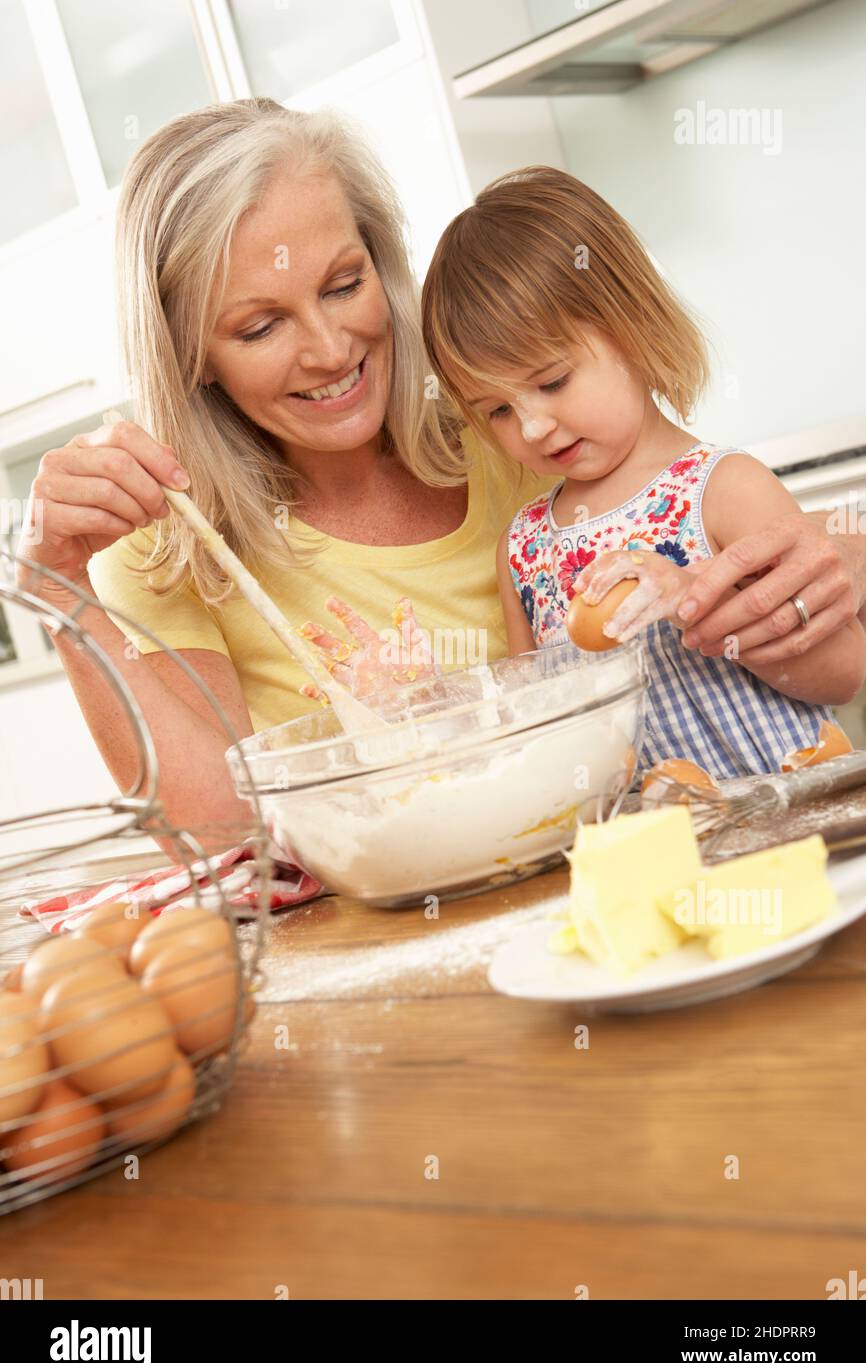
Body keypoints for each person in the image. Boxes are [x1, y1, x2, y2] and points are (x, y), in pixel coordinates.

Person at [14, 103, 866, 835]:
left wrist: (826, 553)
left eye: (345, 284)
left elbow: (705, 515)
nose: (329, 349)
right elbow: (218, 832)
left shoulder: (511, 432)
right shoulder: (166, 541)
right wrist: (50, 584)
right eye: (260, 327)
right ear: (192, 355)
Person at [420, 167, 866, 777]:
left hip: (797, 827)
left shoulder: (724, 489)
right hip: (649, 855)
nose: (532, 429)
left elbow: (844, 674)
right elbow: (538, 734)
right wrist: (443, 703)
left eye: (552, 382)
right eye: (497, 410)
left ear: (631, 327)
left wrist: (696, 602)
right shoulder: (521, 550)